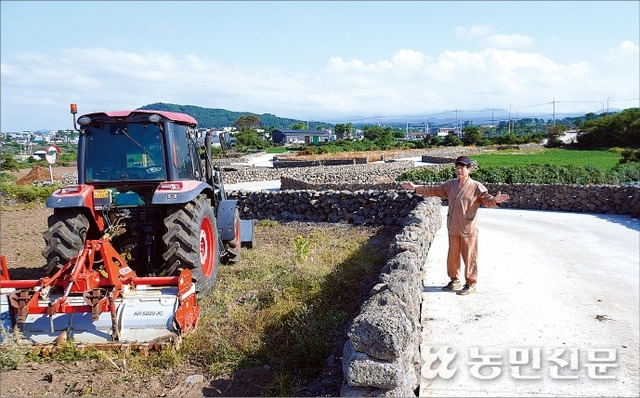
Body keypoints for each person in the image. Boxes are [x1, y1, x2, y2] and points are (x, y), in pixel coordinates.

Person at [399, 155, 510, 296]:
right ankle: (454, 280)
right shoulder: (450, 185)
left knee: (470, 256)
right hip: (453, 228)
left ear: (469, 169)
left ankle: (471, 283)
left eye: (462, 167)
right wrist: (416, 188)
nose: (459, 170)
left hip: (468, 229)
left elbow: (488, 201)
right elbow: (433, 189)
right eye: (457, 167)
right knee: (452, 256)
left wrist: (496, 200)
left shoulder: (476, 187)